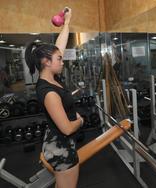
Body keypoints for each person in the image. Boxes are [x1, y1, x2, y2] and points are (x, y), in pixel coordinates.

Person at [25, 7, 84, 188]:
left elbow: (60, 45)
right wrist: (80, 121)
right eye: (59, 58)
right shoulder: (48, 91)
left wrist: (66, 22)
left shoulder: (52, 77)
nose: (62, 60)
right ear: (46, 62)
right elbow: (66, 129)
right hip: (61, 147)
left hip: (60, 143)